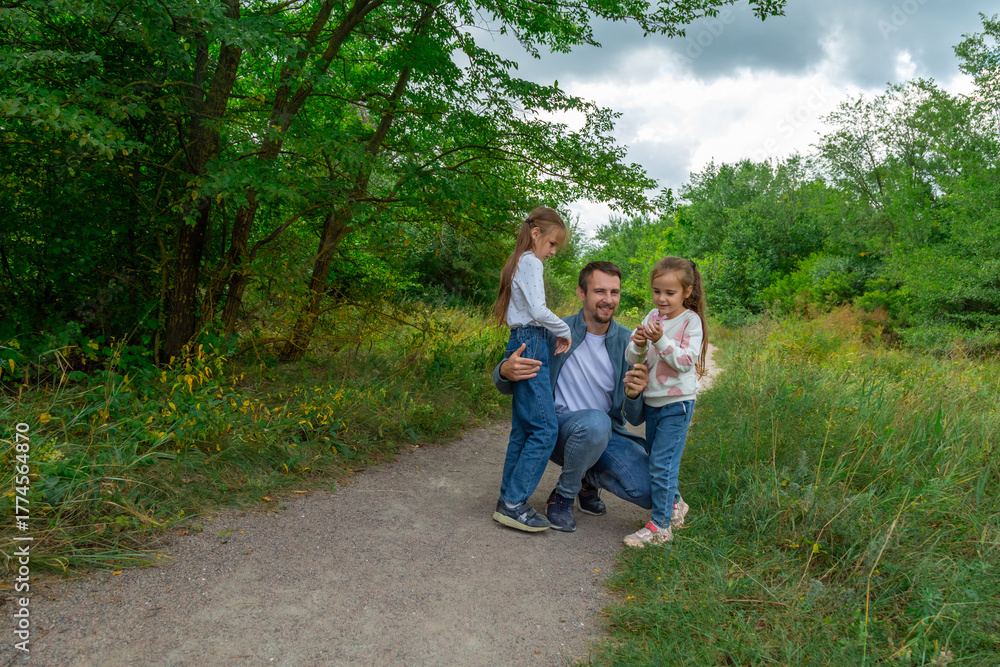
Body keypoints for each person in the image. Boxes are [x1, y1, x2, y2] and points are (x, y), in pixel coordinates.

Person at [494, 261, 652, 532]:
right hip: (558, 432)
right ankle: (563, 495)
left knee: (649, 491)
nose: (608, 300)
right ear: (582, 293)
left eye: (615, 292)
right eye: (600, 291)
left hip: (607, 436)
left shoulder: (630, 343)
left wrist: (635, 394)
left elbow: (635, 417)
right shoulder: (553, 332)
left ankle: (586, 478)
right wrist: (505, 371)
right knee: (595, 422)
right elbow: (511, 383)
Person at [490, 207, 573, 532]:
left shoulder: (520, 261)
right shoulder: (530, 261)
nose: (552, 252)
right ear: (536, 233)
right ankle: (514, 503)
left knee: (524, 430)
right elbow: (538, 310)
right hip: (533, 342)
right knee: (545, 429)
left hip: (523, 340)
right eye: (552, 244)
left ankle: (506, 499)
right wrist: (564, 330)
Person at [621, 256, 708, 547]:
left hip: (677, 403)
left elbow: (685, 361)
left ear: (687, 292)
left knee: (661, 463)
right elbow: (632, 359)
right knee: (657, 458)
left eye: (670, 293)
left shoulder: (690, 321)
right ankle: (675, 504)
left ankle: (659, 527)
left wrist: (659, 340)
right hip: (653, 401)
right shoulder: (652, 317)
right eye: (657, 291)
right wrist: (639, 343)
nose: (661, 298)